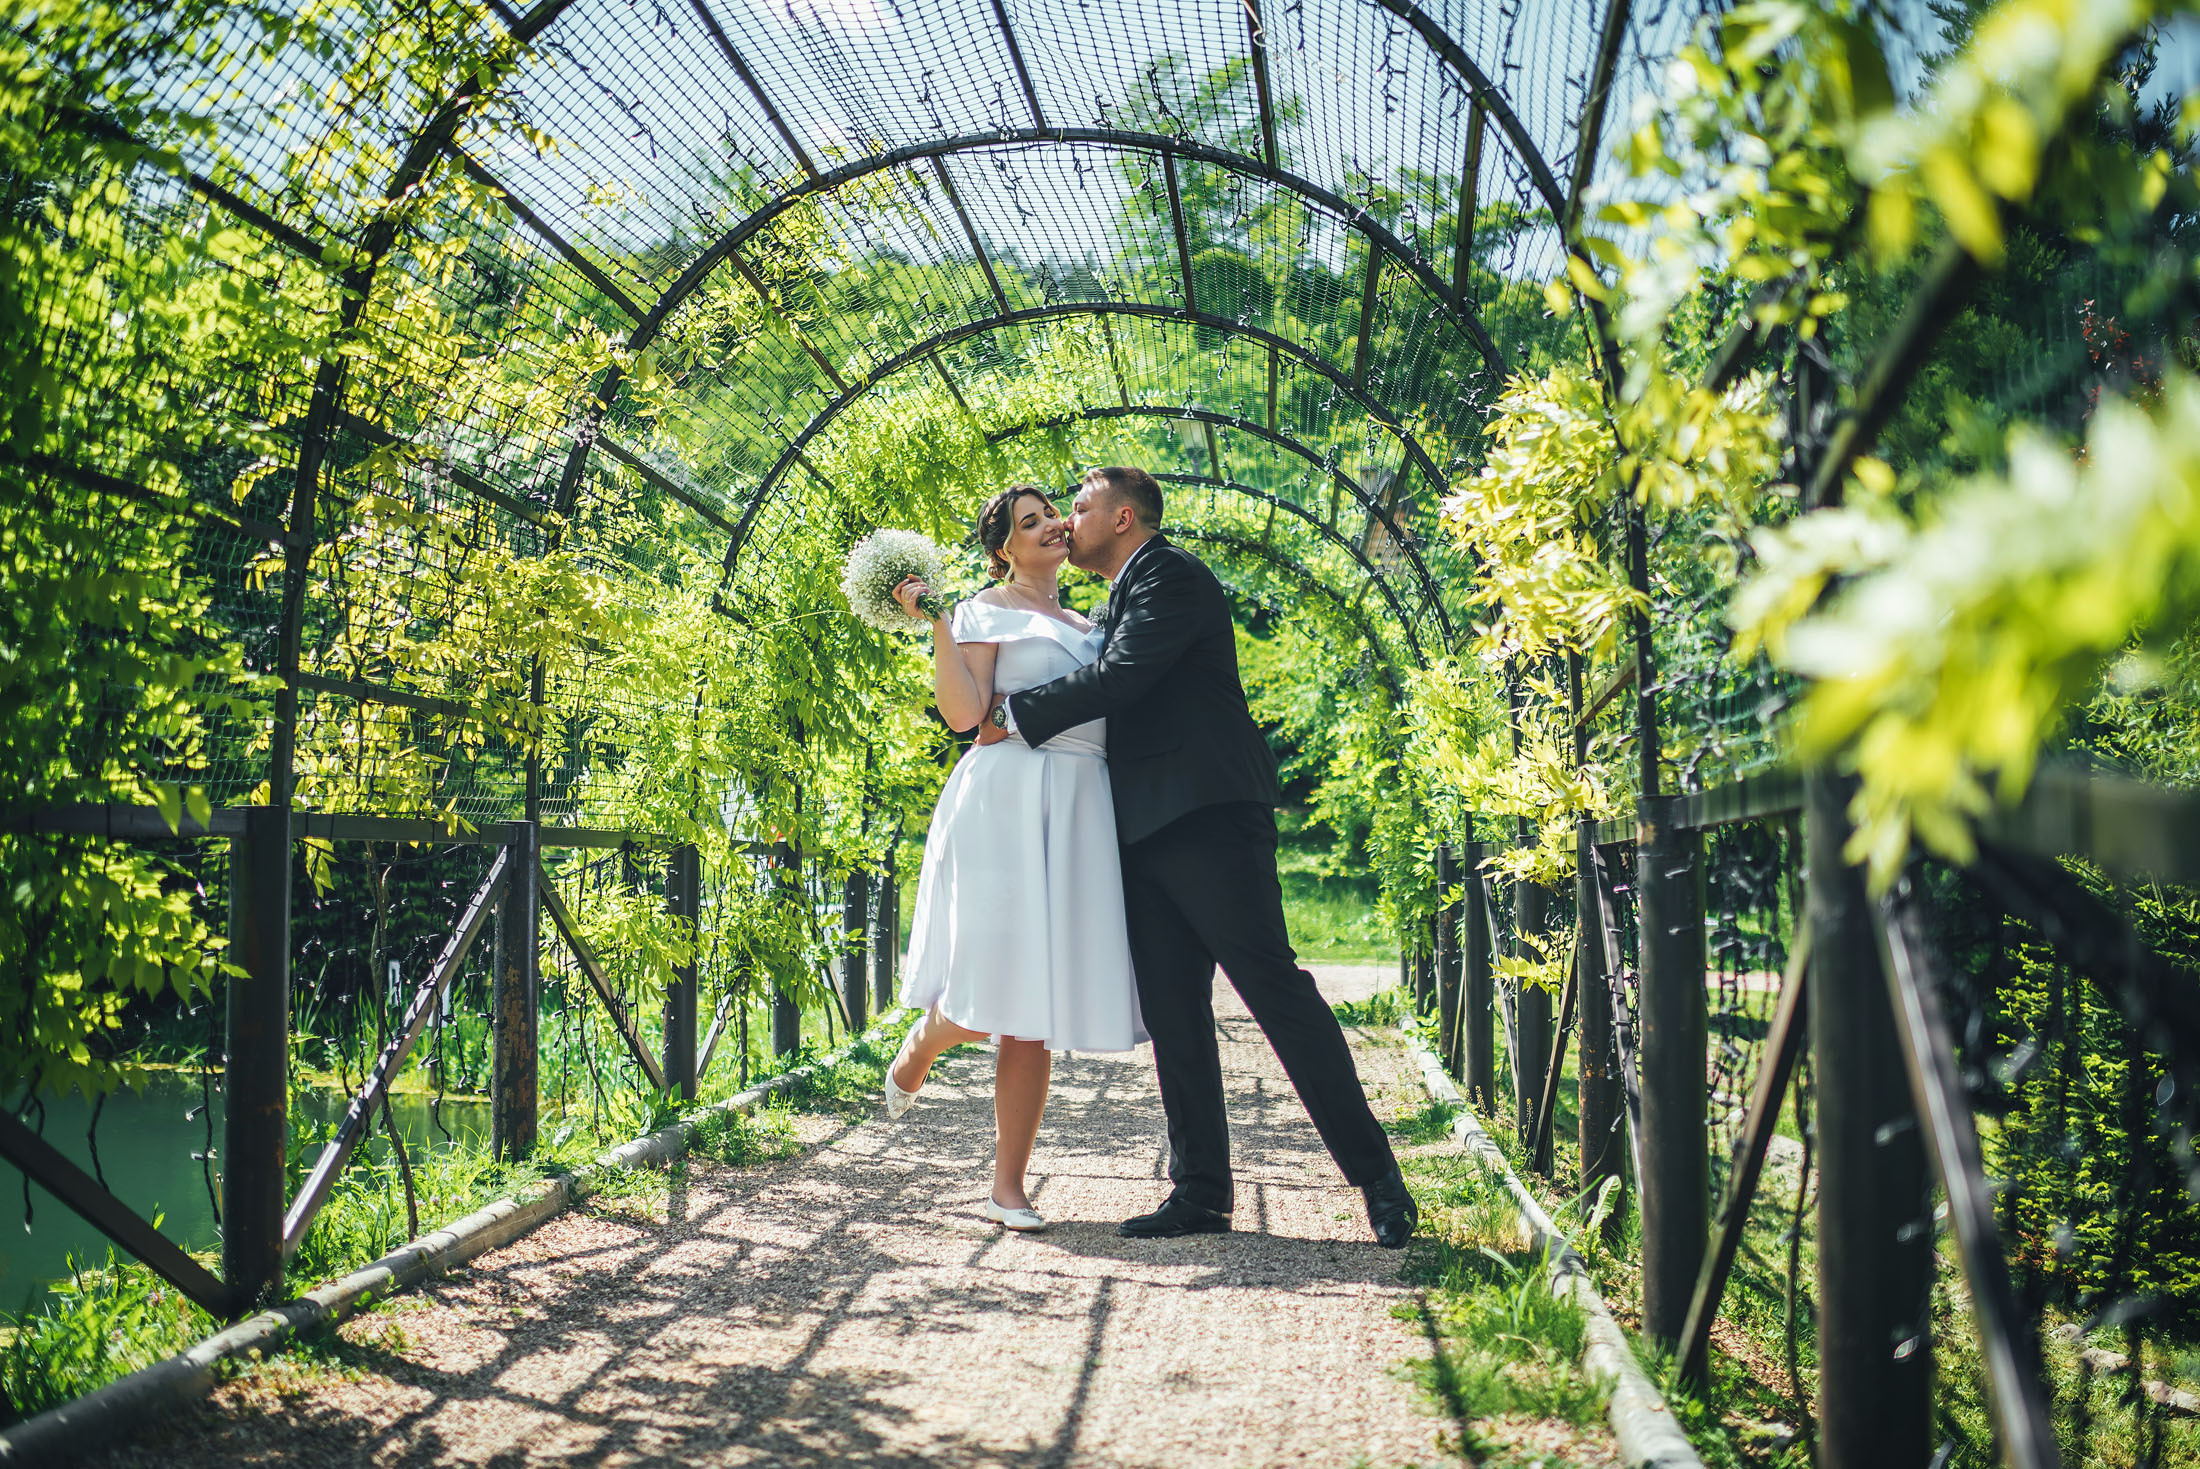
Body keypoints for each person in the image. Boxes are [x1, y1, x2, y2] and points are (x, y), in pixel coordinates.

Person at [973, 465, 1416, 1249]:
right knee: (1176, 1019)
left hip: (1208, 821)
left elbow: (1122, 677)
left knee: (1277, 994)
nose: (1069, 521)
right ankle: (1201, 1191)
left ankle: (1379, 1178)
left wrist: (1014, 710)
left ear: (1123, 517)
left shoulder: (1169, 575)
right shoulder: (1112, 597)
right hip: (1142, 833)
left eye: (1080, 506)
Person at [881, 484, 1145, 1235]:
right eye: (1030, 523)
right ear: (1004, 548)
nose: (1052, 527)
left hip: (1080, 805)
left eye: (1052, 515)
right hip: (1003, 804)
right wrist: (937, 619)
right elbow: (968, 717)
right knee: (986, 978)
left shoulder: (1093, 625)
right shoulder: (982, 610)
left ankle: (1008, 1187)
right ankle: (929, 1037)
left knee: (1033, 1003)